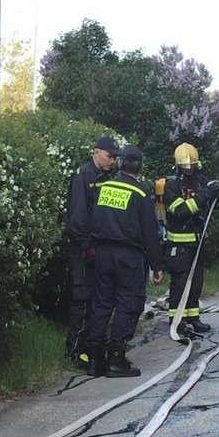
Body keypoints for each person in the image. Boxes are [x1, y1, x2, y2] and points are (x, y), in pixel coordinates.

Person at [87, 145, 165, 378]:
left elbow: (93, 219)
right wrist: (157, 265)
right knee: (126, 304)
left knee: (101, 304)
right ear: (139, 167)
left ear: (121, 164)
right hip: (128, 256)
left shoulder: (104, 187)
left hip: (102, 254)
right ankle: (116, 359)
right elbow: (150, 233)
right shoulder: (141, 194)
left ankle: (94, 359)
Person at [64, 136, 121, 371]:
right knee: (83, 297)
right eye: (109, 156)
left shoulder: (105, 178)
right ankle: (75, 350)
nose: (112, 161)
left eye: (115, 158)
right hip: (82, 247)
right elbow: (78, 217)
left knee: (97, 297)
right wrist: (87, 246)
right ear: (96, 152)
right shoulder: (84, 175)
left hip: (97, 247)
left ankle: (90, 346)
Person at [163, 142, 219, 335]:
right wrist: (205, 195)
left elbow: (210, 207)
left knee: (196, 283)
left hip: (197, 242)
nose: (189, 169)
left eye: (192, 165)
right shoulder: (171, 185)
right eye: (185, 166)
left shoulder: (200, 181)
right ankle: (177, 320)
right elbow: (180, 211)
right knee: (179, 284)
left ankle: (193, 318)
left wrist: (216, 195)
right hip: (178, 244)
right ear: (178, 165)